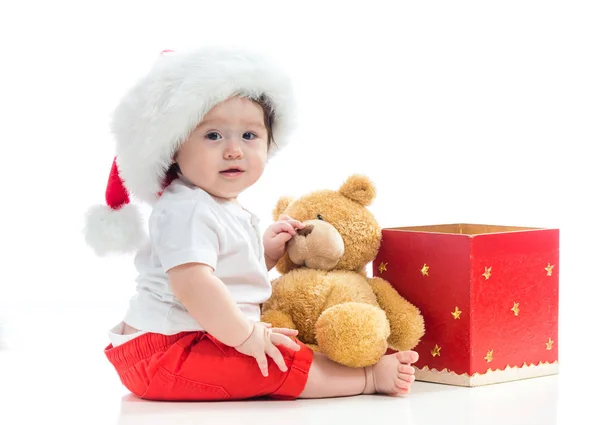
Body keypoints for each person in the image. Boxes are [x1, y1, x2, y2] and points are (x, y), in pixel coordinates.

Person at [84, 46, 418, 401]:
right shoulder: (186, 209)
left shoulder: (219, 205)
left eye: (249, 135)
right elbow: (193, 283)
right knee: (271, 363)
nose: (234, 150)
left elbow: (225, 273)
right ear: (174, 149)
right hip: (167, 350)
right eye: (213, 135)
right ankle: (367, 379)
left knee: (281, 345)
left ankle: (331, 368)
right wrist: (246, 336)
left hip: (192, 338)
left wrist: (265, 254)